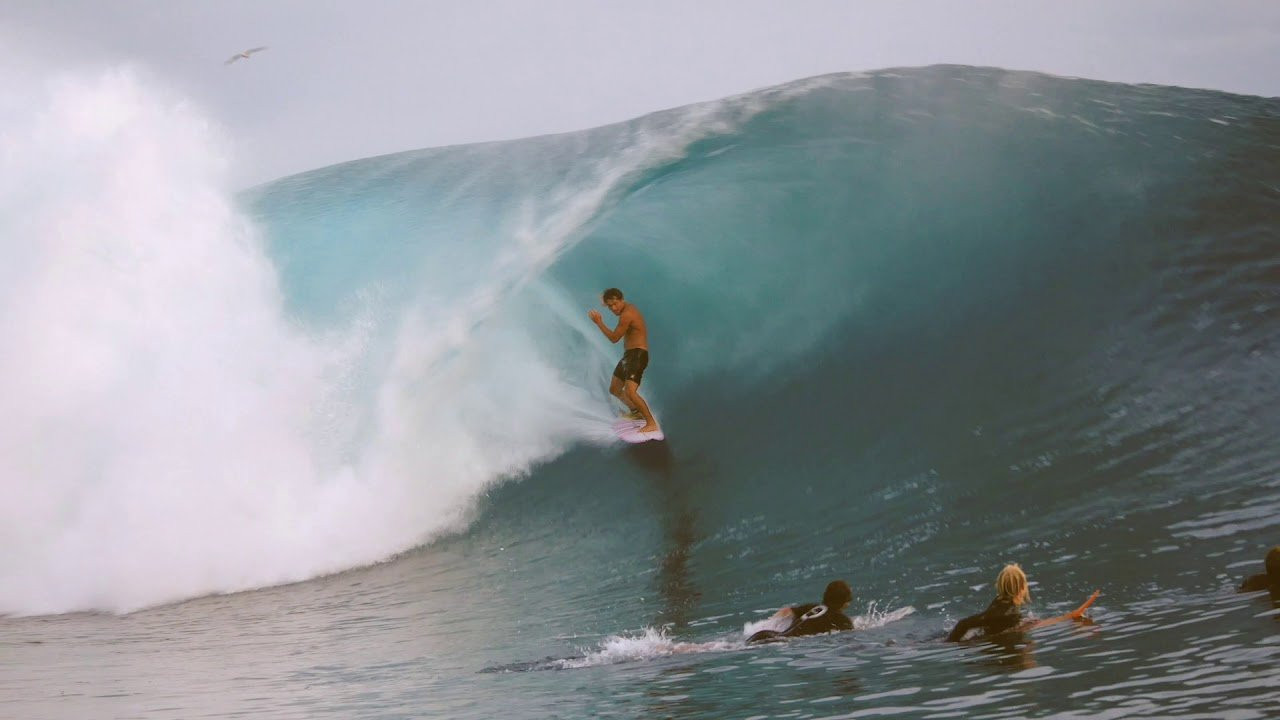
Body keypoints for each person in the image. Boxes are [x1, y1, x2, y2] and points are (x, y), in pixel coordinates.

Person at [588, 287, 659, 434]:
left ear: (622, 300)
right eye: (609, 306)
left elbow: (614, 338)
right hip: (629, 356)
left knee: (630, 392)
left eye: (615, 304)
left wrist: (599, 322)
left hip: (638, 355)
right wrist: (606, 299)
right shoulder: (624, 308)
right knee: (614, 389)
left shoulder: (627, 314)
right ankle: (635, 411)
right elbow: (612, 298)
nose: (613, 308)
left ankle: (651, 423)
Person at [746, 580, 855, 644]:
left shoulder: (813, 607)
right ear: (844, 602)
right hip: (780, 642)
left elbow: (787, 611)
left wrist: (770, 621)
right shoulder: (841, 619)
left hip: (766, 634)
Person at [946, 563, 1030, 642]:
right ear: (1022, 586)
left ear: (1000, 585)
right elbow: (963, 624)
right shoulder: (1003, 611)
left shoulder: (1004, 603)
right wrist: (950, 643)